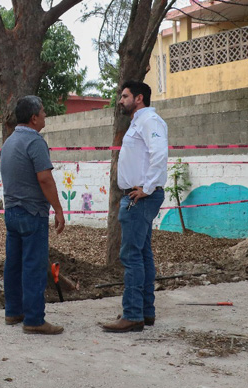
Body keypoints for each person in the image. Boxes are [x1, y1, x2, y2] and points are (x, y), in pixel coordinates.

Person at [102, 81, 168, 333]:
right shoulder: (138, 122)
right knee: (142, 254)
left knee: (131, 256)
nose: (120, 101)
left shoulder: (150, 121)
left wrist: (147, 188)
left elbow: (159, 154)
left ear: (139, 98)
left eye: (125, 96)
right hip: (137, 196)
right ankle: (144, 312)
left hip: (140, 198)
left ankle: (132, 315)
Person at [0, 95, 66, 335]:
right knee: (34, 266)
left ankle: (13, 312)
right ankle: (34, 319)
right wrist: (58, 209)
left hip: (11, 211)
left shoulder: (9, 142)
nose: (46, 115)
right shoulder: (35, 142)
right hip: (32, 212)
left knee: (13, 264)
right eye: (43, 111)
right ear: (34, 117)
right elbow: (45, 178)